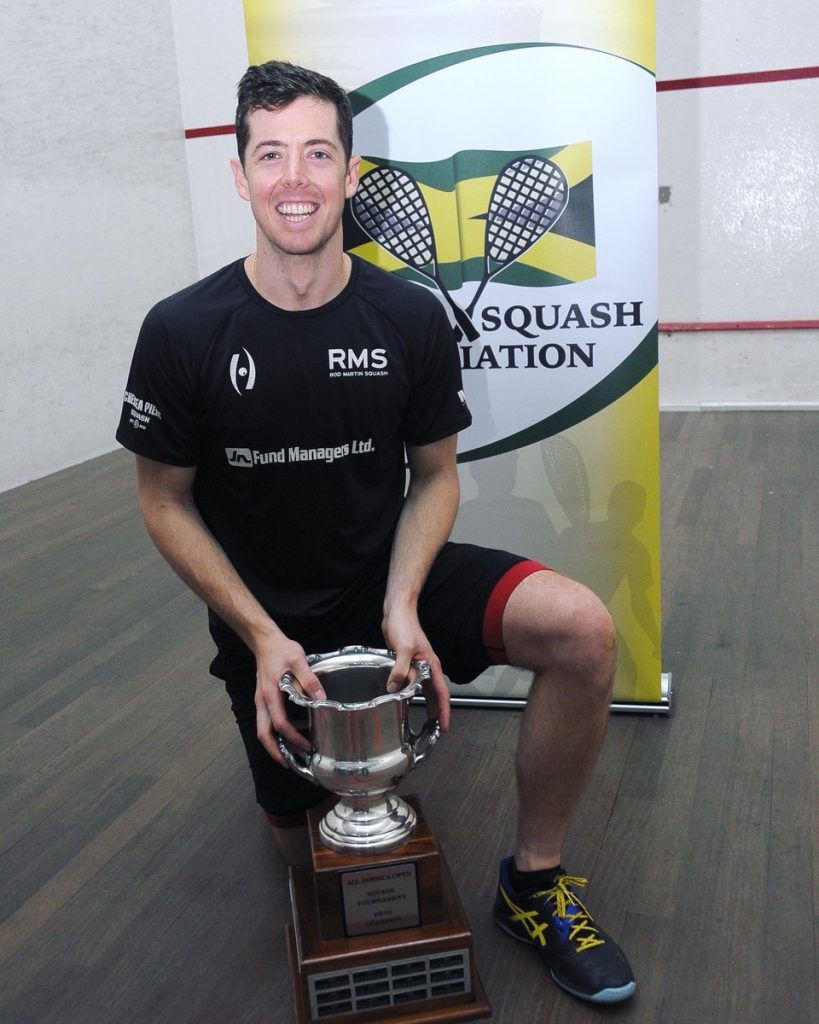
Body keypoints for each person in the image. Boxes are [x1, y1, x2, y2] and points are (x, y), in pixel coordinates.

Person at [116, 60, 636, 1006]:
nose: (294, 178)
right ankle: (314, 783)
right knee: (313, 853)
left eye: (318, 152)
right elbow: (163, 500)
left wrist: (402, 602)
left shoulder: (408, 315)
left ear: (352, 171)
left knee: (582, 630)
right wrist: (262, 635)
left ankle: (534, 882)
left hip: (387, 580)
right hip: (268, 622)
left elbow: (435, 477)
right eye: (269, 155)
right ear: (238, 174)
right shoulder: (182, 329)